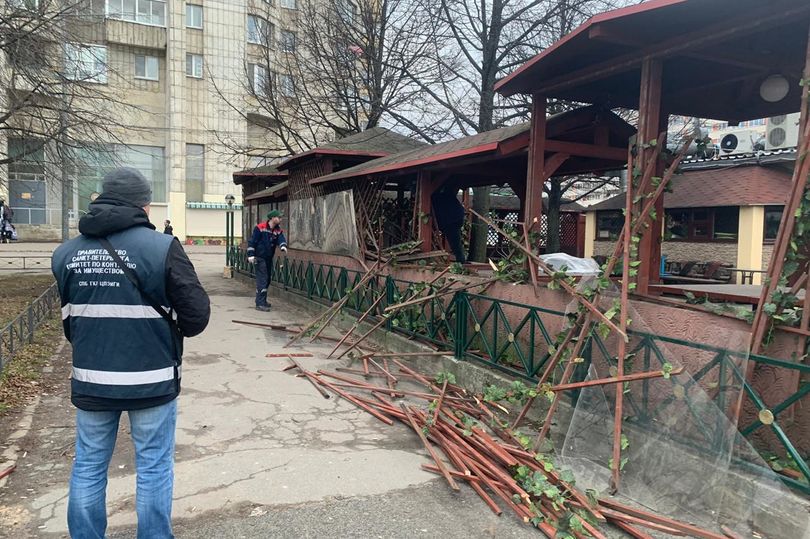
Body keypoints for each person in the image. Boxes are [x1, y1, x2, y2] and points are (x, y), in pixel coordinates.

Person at [51, 167, 210, 539]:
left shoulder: (66, 253)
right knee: (153, 467)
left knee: (89, 465)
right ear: (144, 204)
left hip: (92, 378)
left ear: (101, 198)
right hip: (152, 379)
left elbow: (71, 321)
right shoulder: (162, 248)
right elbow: (196, 316)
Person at [247, 210, 287, 311]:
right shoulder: (260, 228)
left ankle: (262, 300)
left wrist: (282, 245)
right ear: (272, 218)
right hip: (259, 257)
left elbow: (281, 238)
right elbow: (252, 241)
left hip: (268, 258)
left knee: (267, 279)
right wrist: (250, 255)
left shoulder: (277, 230)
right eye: (279, 217)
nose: (280, 219)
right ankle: (260, 304)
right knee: (263, 279)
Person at [431, 183, 466, 263]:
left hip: (451, 221)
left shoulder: (440, 197)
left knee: (455, 242)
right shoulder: (447, 196)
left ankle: (461, 260)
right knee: (456, 242)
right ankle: (461, 260)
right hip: (453, 220)